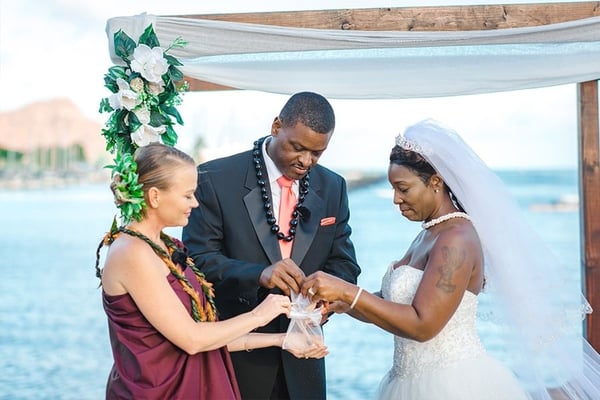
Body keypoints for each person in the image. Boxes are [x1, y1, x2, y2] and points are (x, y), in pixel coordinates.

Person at [301, 119, 600, 399]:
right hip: (406, 381)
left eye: (403, 188)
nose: (396, 199)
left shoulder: (456, 239)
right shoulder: (428, 233)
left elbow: (424, 323)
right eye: (393, 188)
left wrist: (349, 293)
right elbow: (394, 304)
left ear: (435, 182)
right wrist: (342, 304)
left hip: (452, 384)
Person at [95, 143, 327, 400]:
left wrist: (282, 340)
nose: (194, 203)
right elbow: (192, 340)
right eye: (187, 195)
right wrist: (260, 315)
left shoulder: (169, 247)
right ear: (155, 196)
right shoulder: (132, 253)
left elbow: (208, 336)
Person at [182, 91, 361, 399]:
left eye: (317, 153)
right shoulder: (214, 179)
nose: (306, 161)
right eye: (298, 147)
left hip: (304, 361)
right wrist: (259, 274)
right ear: (277, 126)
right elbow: (197, 261)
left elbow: (344, 264)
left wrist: (326, 301)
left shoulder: (333, 186)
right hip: (235, 359)